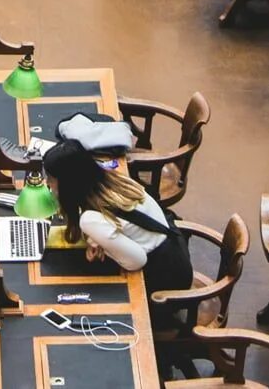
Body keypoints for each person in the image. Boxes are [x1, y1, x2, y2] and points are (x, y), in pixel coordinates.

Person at [43, 139, 193, 325]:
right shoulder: (113, 179)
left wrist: (106, 247)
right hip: (176, 250)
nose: (48, 183)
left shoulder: (89, 219)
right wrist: (101, 239)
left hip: (165, 283)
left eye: (51, 178)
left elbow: (136, 261)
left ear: (68, 183)